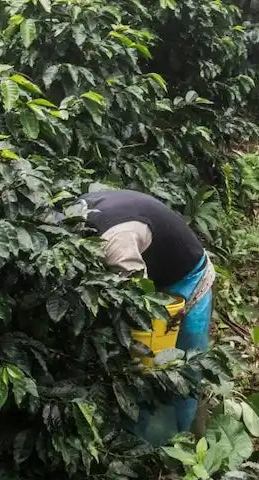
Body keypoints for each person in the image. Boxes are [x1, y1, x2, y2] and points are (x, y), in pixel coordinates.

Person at [74, 188, 215, 442]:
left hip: (189, 277)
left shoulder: (116, 244)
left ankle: (184, 444)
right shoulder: (72, 215)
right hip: (150, 269)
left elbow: (137, 305)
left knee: (185, 365)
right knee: (137, 368)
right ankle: (138, 439)